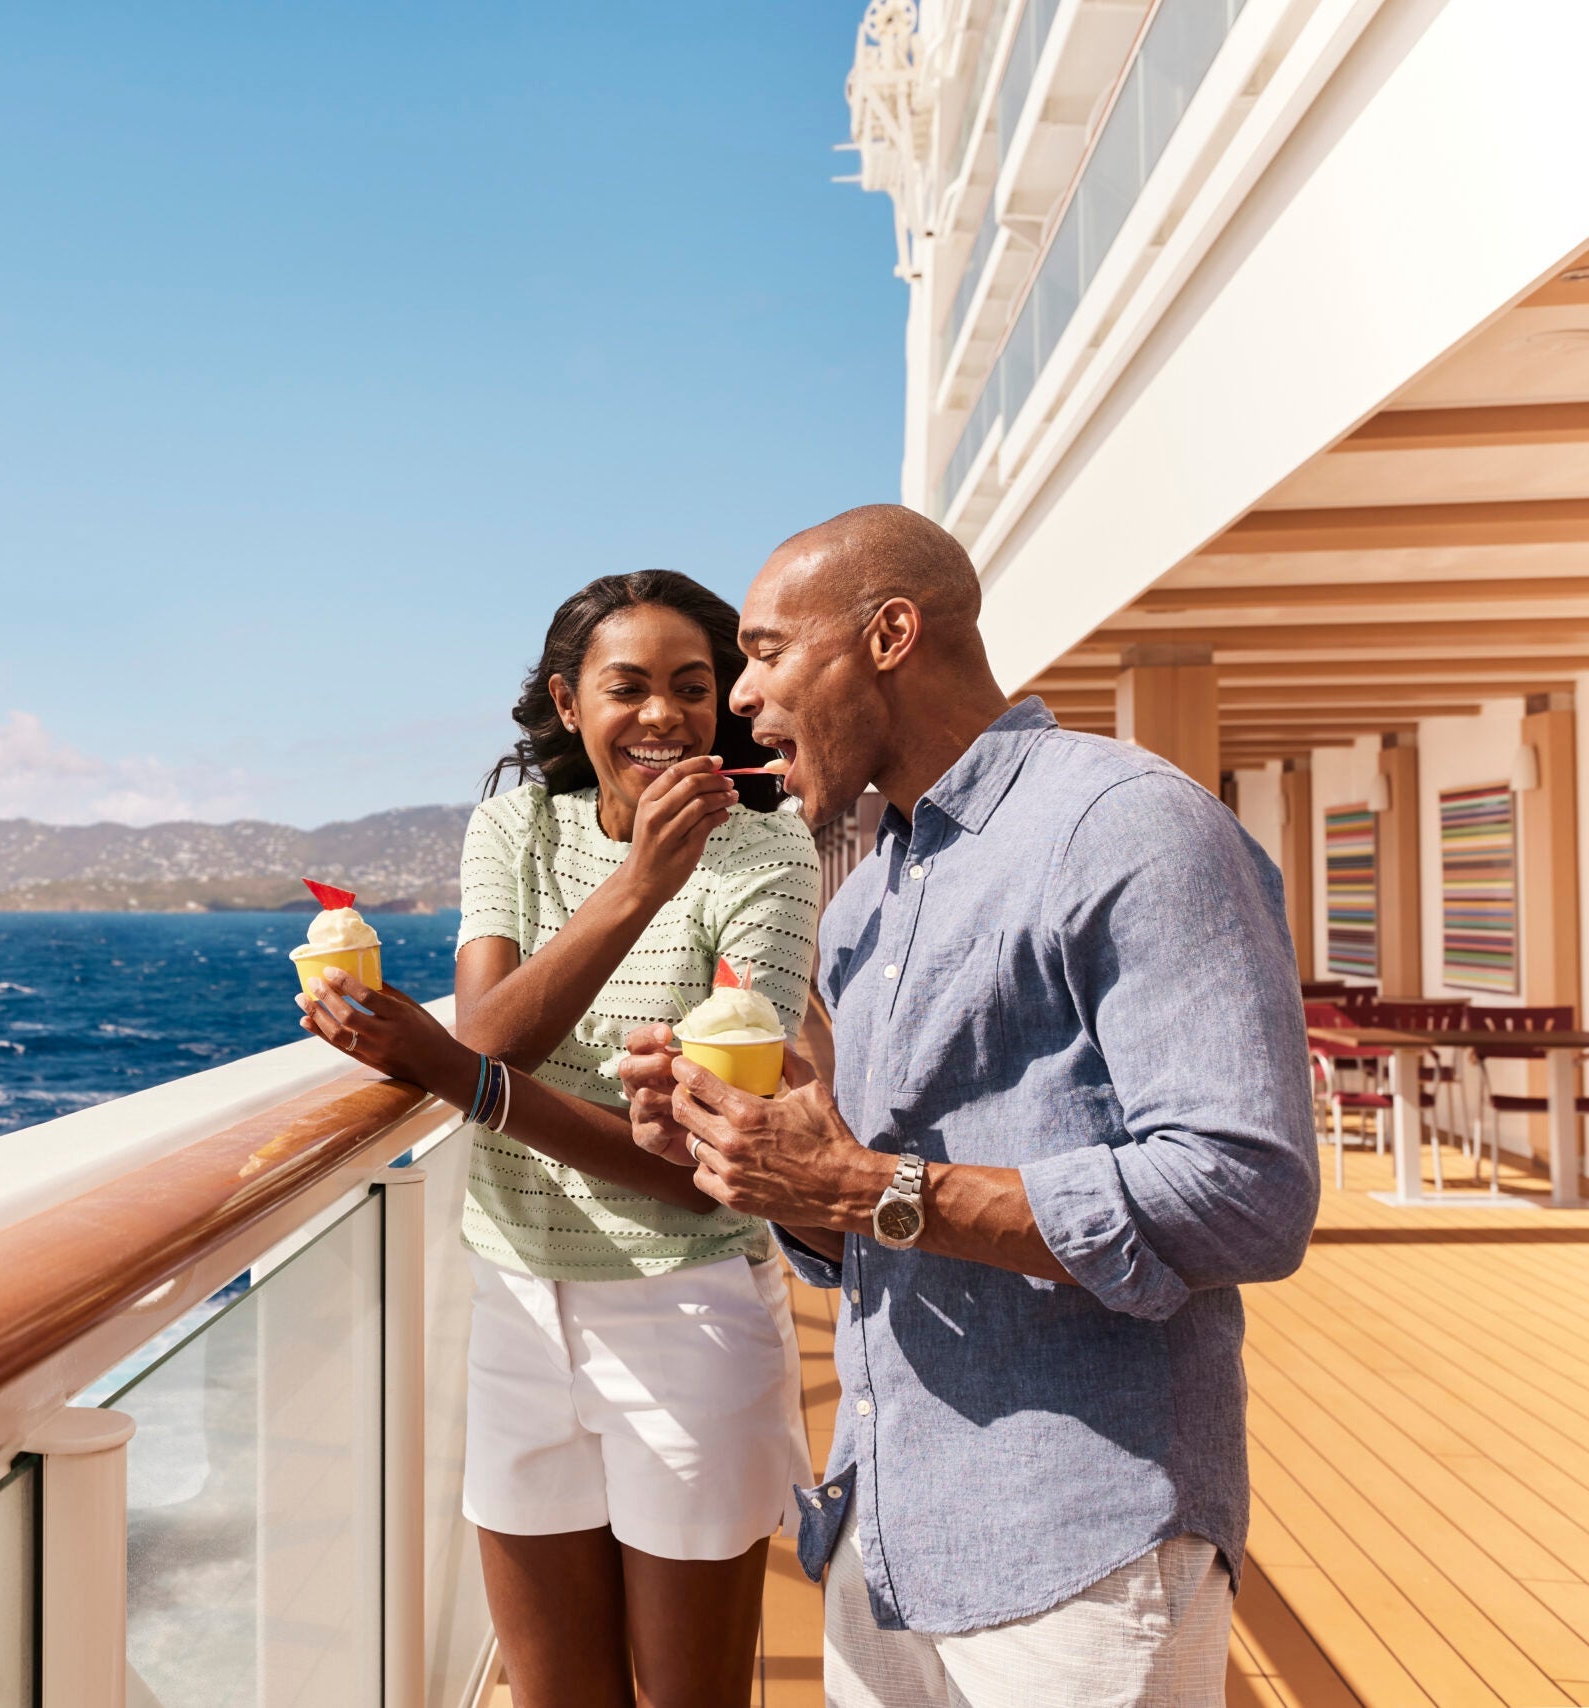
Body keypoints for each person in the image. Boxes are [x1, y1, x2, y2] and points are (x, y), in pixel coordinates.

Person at [621, 505, 1318, 1707]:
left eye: (769, 651)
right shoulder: (863, 907)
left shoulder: (1125, 826)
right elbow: (871, 1233)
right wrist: (753, 1158)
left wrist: (861, 1185)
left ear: (890, 633)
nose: (738, 697)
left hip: (1081, 1555)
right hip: (884, 1542)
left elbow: (1248, 1196)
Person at [295, 570, 818, 1708]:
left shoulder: (771, 862)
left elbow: (701, 1180)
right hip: (514, 1307)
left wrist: (459, 1074)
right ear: (567, 701)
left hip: (689, 1313)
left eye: (695, 684)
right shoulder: (516, 825)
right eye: (626, 686)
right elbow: (493, 1034)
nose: (665, 714)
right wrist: (630, 888)